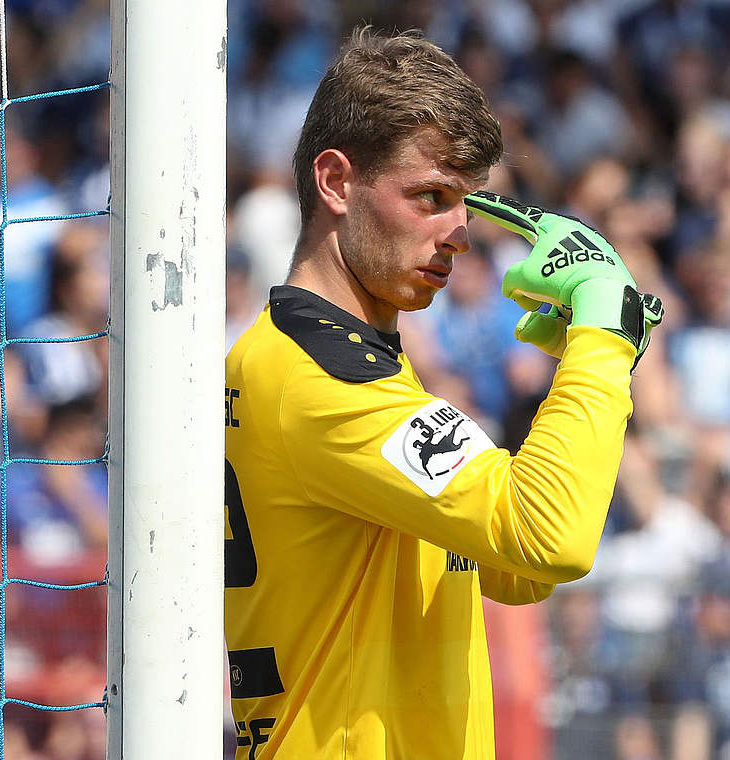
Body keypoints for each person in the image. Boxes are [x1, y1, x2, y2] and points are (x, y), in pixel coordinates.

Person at [223, 29, 662, 760]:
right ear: (336, 182)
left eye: (466, 202)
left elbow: (514, 569)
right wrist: (601, 337)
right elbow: (546, 539)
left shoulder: (349, 362)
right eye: (430, 196)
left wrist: (582, 371)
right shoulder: (322, 378)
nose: (459, 232)